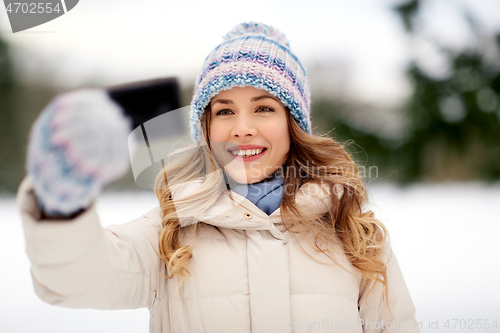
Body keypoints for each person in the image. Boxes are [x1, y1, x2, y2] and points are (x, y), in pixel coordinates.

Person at [17, 22, 420, 333]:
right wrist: (60, 202)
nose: (242, 128)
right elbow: (76, 280)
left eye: (263, 108)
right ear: (205, 128)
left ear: (293, 123)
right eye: (224, 111)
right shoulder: (170, 231)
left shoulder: (353, 233)